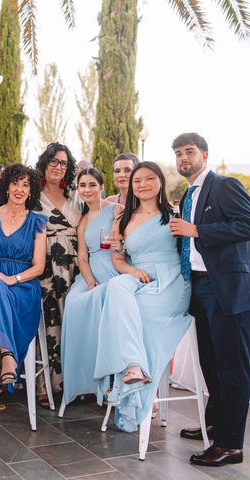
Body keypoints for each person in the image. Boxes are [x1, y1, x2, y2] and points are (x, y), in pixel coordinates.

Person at [168, 133, 250, 467]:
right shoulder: (188, 194)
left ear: (204, 154)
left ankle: (231, 444)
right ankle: (217, 423)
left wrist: (198, 231)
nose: (183, 158)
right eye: (178, 154)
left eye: (189, 152)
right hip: (199, 287)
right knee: (211, 364)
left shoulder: (224, 186)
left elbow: (246, 223)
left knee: (232, 367)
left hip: (226, 289)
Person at [94, 161, 192, 432]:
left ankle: (135, 386)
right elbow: (117, 258)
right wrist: (132, 270)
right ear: (131, 186)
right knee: (115, 288)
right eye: (138, 181)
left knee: (138, 315)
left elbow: (188, 252)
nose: (143, 184)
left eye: (149, 179)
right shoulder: (123, 218)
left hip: (170, 282)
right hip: (139, 276)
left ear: (160, 181)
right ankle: (134, 366)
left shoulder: (174, 214)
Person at [0, 163, 47, 394]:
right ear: (6, 186)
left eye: (26, 185)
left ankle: (2, 363)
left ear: (31, 191)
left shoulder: (37, 222)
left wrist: (12, 279)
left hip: (23, 284)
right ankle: (7, 357)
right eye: (15, 183)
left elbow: (39, 267)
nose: (19, 189)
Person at [60, 168, 119, 408]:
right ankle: (87, 380)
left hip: (115, 266)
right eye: (82, 185)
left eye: (92, 185)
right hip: (90, 272)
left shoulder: (116, 211)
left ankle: (113, 381)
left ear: (101, 186)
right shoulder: (83, 220)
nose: (87, 190)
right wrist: (91, 282)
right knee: (75, 304)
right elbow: (82, 258)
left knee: (107, 307)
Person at [34, 142, 80, 407]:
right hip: (46, 266)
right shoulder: (32, 194)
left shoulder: (76, 196)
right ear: (45, 163)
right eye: (53, 162)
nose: (58, 167)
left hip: (74, 268)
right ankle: (45, 385)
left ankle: (74, 382)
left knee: (73, 323)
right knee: (49, 322)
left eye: (63, 163)